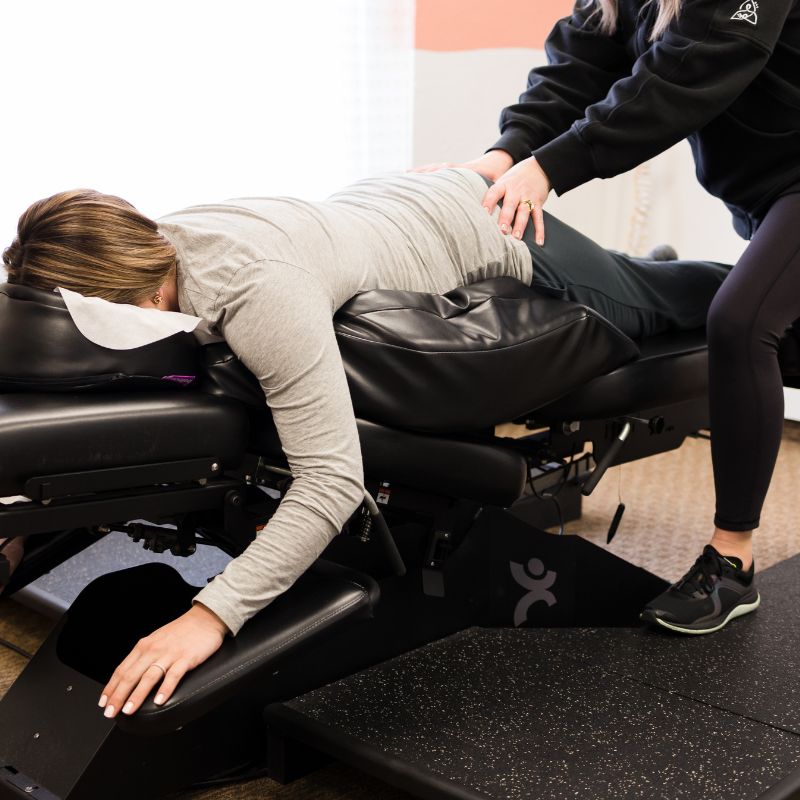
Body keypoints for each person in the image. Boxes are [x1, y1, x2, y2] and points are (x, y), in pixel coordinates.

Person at [1, 171, 729, 716]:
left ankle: (733, 279)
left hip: (490, 231)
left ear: (132, 290)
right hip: (392, 209)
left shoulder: (257, 292)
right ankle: (634, 267)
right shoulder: (146, 251)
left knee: (670, 303)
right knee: (637, 282)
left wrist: (208, 616)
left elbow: (331, 479)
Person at [416, 0, 800, 636]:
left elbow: (689, 71)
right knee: (765, 333)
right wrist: (504, 154)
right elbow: (578, 68)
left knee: (740, 322)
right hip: (766, 194)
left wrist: (550, 167)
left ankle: (731, 561)